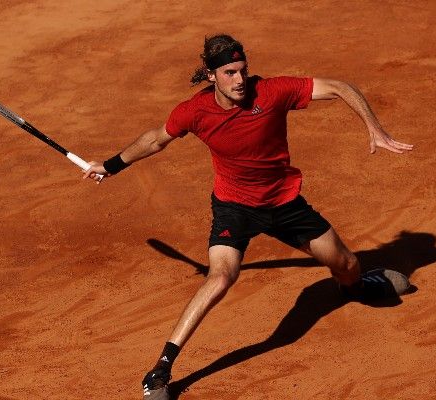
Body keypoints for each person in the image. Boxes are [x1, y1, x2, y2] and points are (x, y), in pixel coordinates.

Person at [83, 34, 414, 400]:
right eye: (229, 73)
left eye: (242, 70)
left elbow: (339, 87)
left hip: (285, 205)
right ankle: (161, 369)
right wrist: (111, 165)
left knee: (348, 264)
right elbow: (155, 140)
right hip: (235, 208)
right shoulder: (194, 112)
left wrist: (375, 127)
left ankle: (356, 287)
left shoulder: (272, 92)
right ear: (211, 75)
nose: (239, 80)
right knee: (221, 277)